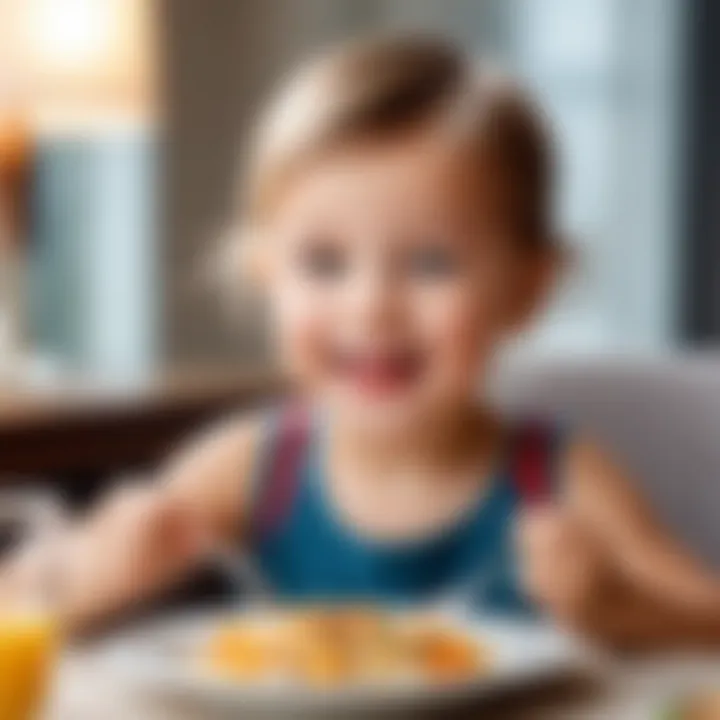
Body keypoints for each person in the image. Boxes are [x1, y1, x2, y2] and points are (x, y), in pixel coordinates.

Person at [3, 36, 720, 649]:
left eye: (432, 264)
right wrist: (95, 576)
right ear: (264, 274)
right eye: (323, 264)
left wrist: (621, 609)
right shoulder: (256, 467)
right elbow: (17, 608)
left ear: (528, 289)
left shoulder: (555, 475)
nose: (372, 306)